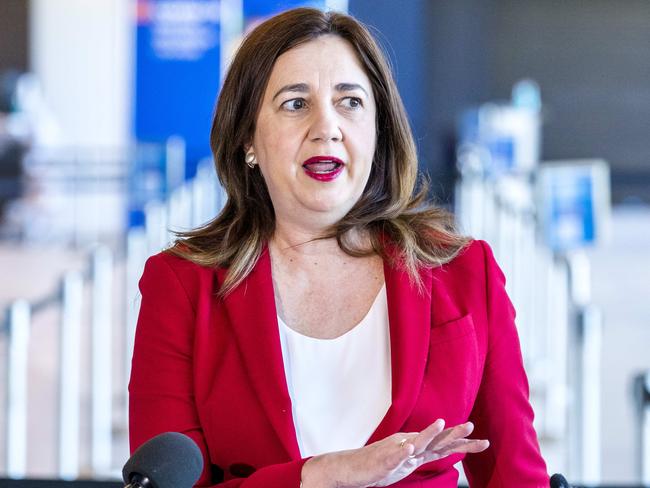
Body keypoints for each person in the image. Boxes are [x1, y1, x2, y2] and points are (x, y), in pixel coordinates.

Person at [129, 7, 549, 487]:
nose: (326, 127)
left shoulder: (463, 271)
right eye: (295, 103)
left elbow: (516, 474)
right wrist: (320, 477)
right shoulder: (181, 284)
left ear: (378, 129)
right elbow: (162, 481)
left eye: (350, 102)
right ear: (247, 136)